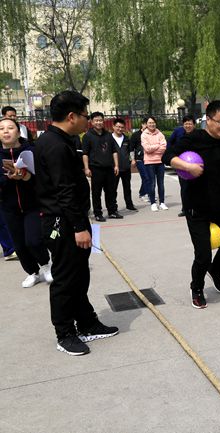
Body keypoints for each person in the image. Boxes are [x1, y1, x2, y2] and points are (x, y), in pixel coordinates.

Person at [34, 90, 119, 356]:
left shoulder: (64, 140)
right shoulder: (54, 145)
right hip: (63, 223)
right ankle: (65, 333)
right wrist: (79, 228)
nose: (87, 120)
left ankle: (87, 322)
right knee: (65, 279)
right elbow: (64, 191)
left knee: (80, 275)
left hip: (75, 218)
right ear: (71, 116)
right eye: (85, 115)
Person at [163, 100, 220, 309]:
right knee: (203, 254)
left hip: (219, 205)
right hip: (197, 207)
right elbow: (167, 156)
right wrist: (187, 166)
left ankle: (216, 271)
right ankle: (197, 288)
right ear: (208, 120)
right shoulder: (193, 138)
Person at [0, 118, 52, 287]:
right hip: (9, 208)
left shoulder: (31, 151)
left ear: (18, 132)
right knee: (19, 245)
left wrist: (26, 176)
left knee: (33, 240)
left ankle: (46, 265)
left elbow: (43, 178)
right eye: (1, 128)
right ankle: (32, 272)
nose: (5, 131)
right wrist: (8, 178)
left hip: (32, 205)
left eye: (10, 128)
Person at [82, 112, 122, 221]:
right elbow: (85, 154)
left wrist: (116, 165)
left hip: (109, 168)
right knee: (96, 193)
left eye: (100, 120)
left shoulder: (108, 135)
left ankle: (112, 211)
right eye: (96, 120)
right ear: (91, 122)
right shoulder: (87, 136)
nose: (99, 122)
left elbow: (114, 151)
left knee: (111, 191)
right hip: (95, 168)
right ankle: (98, 213)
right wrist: (86, 168)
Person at [168, 115, 195, 217]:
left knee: (196, 188)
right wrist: (174, 156)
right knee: (184, 188)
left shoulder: (199, 134)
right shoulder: (178, 132)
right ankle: (185, 209)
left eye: (190, 123)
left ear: (194, 125)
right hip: (182, 165)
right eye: (186, 124)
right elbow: (169, 143)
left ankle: (196, 208)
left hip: (195, 165)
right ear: (183, 125)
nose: (188, 126)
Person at [141, 116, 168, 211]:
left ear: (155, 123)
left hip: (160, 161)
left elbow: (163, 147)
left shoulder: (160, 134)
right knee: (151, 183)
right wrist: (157, 145)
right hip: (149, 163)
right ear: (146, 124)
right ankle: (153, 203)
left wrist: (153, 149)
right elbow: (147, 149)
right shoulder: (144, 135)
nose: (151, 124)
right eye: (149, 123)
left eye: (153, 122)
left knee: (161, 183)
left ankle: (162, 202)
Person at [111, 118, 137, 211]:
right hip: (114, 168)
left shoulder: (126, 139)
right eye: (118, 127)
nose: (120, 129)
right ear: (113, 126)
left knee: (127, 187)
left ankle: (129, 205)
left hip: (126, 167)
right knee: (113, 189)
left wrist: (133, 159)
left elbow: (130, 151)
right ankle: (113, 207)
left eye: (122, 127)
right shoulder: (109, 138)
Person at [131, 119, 150, 202]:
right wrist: (133, 159)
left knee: (149, 177)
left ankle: (147, 193)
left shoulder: (150, 134)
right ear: (142, 124)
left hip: (149, 159)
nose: (147, 126)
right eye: (146, 124)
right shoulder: (136, 135)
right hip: (139, 159)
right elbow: (131, 148)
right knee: (145, 176)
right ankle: (143, 194)